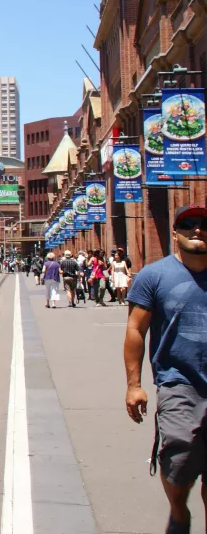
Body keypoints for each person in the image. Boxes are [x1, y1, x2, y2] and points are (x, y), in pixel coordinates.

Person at [124, 205, 207, 534]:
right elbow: (135, 331)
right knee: (178, 457)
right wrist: (134, 385)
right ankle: (178, 509)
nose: (197, 230)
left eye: (203, 224)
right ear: (175, 233)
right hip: (178, 383)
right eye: (188, 225)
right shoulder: (153, 277)